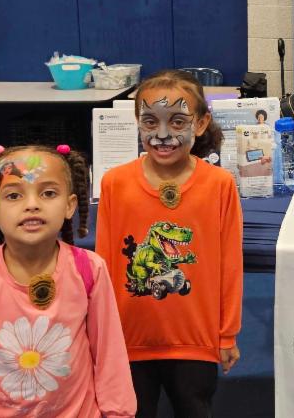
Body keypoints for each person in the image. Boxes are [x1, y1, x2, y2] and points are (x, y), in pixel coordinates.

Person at [0, 144, 136, 417]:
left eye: (48, 193)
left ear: (69, 206)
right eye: (14, 195)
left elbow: (109, 355)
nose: (32, 204)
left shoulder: (89, 269)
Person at [96, 69, 243, 418]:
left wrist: (227, 334)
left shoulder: (219, 185)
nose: (162, 135)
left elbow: (230, 266)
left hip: (195, 341)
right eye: (150, 122)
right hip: (130, 340)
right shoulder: (115, 183)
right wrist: (100, 335)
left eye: (178, 123)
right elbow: (101, 265)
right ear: (137, 122)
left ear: (202, 123)